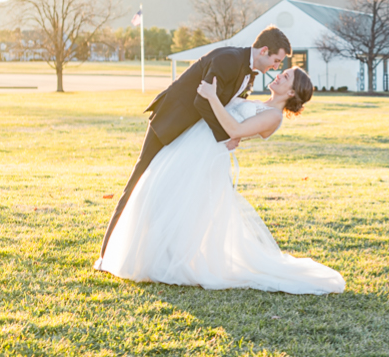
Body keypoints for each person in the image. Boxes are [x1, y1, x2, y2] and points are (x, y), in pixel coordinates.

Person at [96, 65, 345, 295]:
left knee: (183, 205)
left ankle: (170, 262)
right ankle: (158, 256)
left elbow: (234, 131)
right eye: (282, 70)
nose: (279, 74)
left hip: (206, 157)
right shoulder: (260, 102)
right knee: (166, 197)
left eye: (286, 76)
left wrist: (212, 96)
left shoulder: (273, 116)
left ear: (291, 92)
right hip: (194, 147)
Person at [98, 26, 291, 259]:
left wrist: (236, 131)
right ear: (264, 50)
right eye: (277, 60)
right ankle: (108, 251)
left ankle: (162, 248)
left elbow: (228, 105)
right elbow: (202, 101)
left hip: (192, 134)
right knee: (138, 181)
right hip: (171, 122)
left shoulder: (250, 73)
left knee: (168, 189)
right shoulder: (228, 59)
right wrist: (226, 135)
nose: (276, 67)